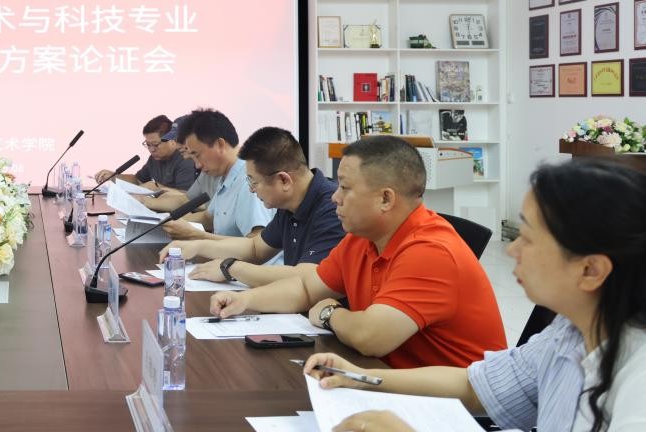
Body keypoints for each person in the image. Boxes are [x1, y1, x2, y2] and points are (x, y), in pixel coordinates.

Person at [301, 158, 646, 432]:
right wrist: (363, 378)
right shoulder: (570, 332)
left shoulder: (638, 367)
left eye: (527, 238)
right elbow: (475, 385)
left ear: (590, 270)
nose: (511, 250)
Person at [210, 134, 506, 369]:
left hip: (451, 409)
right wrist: (245, 300)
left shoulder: (430, 251)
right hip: (385, 377)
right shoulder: (362, 238)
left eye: (345, 188)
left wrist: (329, 313)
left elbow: (370, 337)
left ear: (385, 199)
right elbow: (306, 287)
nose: (335, 198)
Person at [160, 126, 344, 287]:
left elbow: (308, 277)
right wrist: (198, 246)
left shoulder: (333, 208)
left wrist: (230, 268)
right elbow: (255, 248)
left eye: (253, 182)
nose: (251, 189)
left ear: (283, 180)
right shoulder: (289, 204)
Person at [157, 108, 275, 242]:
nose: (197, 165)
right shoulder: (226, 175)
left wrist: (196, 235)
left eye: (197, 155)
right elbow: (209, 217)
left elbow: (256, 243)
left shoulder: (248, 181)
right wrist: (165, 224)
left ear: (220, 145)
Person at [95, 114, 198, 191]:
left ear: (172, 140)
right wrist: (114, 177)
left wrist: (158, 188)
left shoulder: (186, 159)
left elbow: (186, 197)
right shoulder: (154, 158)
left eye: (155, 144)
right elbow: (138, 180)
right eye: (148, 145)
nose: (151, 149)